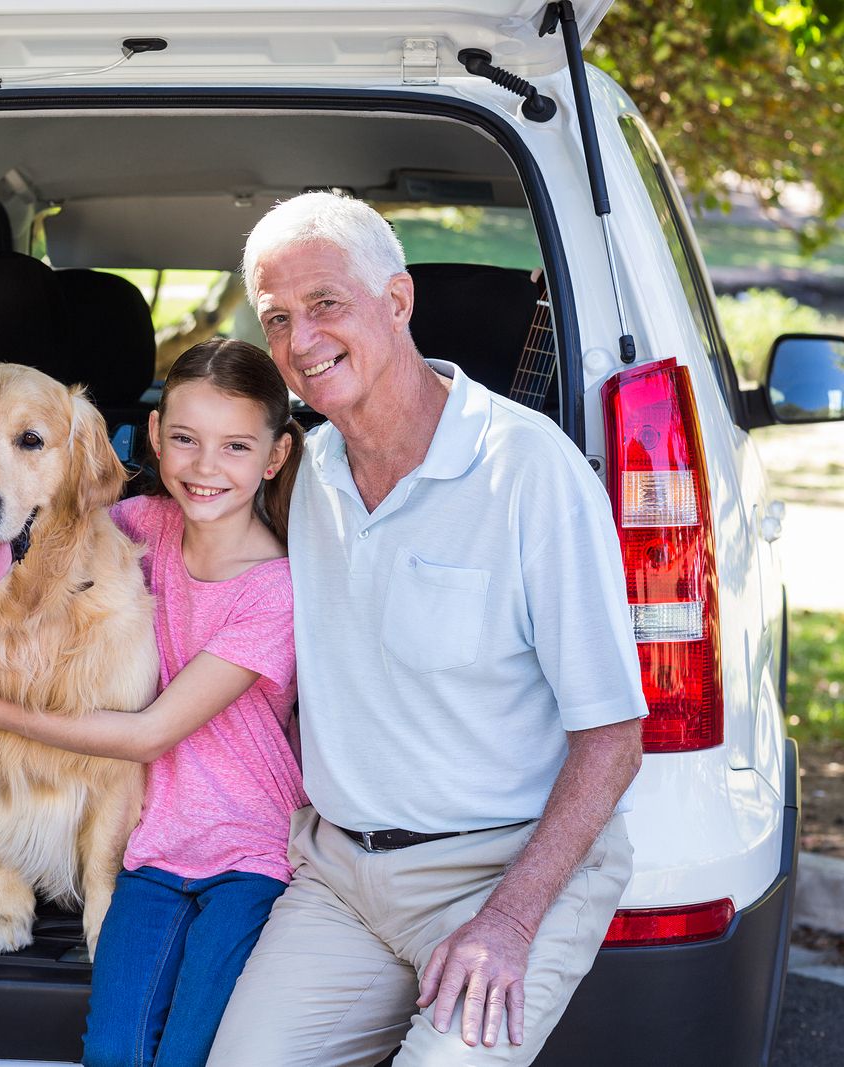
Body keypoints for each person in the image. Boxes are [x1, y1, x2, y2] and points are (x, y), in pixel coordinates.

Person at [200, 191, 647, 1065]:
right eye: (277, 317)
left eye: (326, 304)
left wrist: (510, 920)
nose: (300, 340)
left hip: (508, 868)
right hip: (343, 879)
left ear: (397, 301)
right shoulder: (308, 466)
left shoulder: (529, 472)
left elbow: (615, 737)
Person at [0, 339, 308, 1067]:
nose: (205, 466)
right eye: (184, 440)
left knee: (196, 1050)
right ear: (154, 438)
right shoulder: (144, 525)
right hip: (152, 848)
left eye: (235, 446)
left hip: (247, 851)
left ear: (274, 457)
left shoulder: (275, 590)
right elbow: (48, 548)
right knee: (115, 1053)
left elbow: (148, 733)